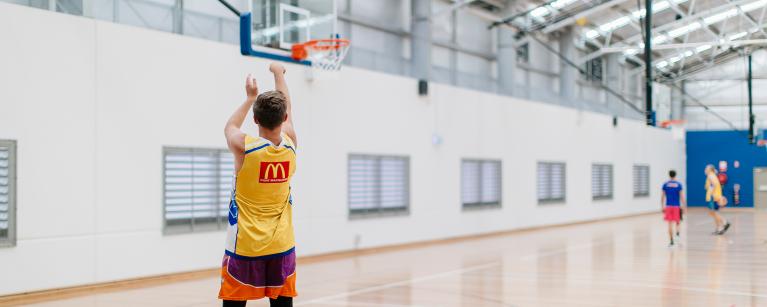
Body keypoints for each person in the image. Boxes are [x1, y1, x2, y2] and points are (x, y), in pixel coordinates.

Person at [219, 62, 298, 307]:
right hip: (281, 242)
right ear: (284, 118)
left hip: (246, 244)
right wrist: (278, 74)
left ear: (254, 119)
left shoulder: (244, 146)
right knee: (282, 301)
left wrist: (249, 98)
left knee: (235, 299)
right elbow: (287, 104)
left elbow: (229, 127)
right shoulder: (290, 142)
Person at [661, 170, 686, 247]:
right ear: (675, 175)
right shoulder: (678, 184)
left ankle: (671, 241)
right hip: (676, 206)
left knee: (670, 224)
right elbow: (682, 196)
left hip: (668, 206)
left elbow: (662, 196)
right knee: (678, 223)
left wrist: (662, 206)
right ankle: (677, 237)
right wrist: (684, 206)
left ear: (669, 175)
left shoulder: (665, 184)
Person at [705, 164, 730, 235]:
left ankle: (725, 223)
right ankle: (719, 228)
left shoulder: (711, 176)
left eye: (706, 168)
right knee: (713, 213)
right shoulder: (712, 175)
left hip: (713, 197)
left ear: (710, 169)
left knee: (714, 212)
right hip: (714, 197)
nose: (705, 169)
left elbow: (714, 184)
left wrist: (712, 194)